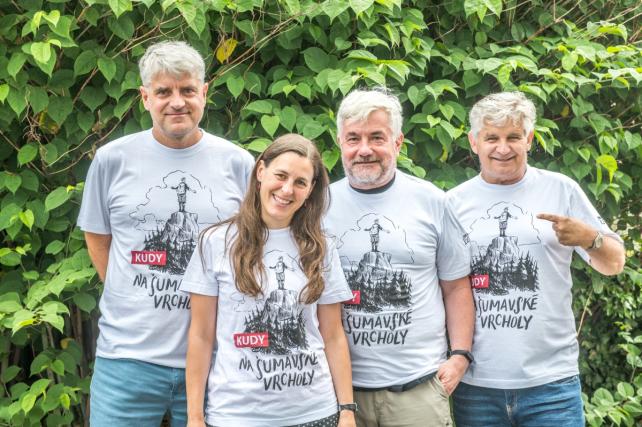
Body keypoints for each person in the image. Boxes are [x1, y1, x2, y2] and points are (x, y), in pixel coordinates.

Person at [77, 40, 254, 426]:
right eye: (163, 92)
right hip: (127, 359)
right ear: (145, 97)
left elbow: (253, 245)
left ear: (204, 93)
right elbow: (98, 238)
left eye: (187, 90)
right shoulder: (112, 160)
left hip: (217, 360)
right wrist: (131, 292)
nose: (177, 102)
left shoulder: (238, 164)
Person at [447, 91, 626, 426]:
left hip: (552, 385)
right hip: (476, 385)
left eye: (513, 137)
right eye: (492, 138)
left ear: (529, 139)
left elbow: (615, 263)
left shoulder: (561, 189)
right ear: (474, 142)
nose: (503, 148)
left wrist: (590, 237)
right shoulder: (453, 203)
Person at [181, 134, 357, 427]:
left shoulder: (321, 247)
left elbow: (333, 334)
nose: (287, 189)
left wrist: (347, 410)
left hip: (315, 413)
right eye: (281, 175)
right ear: (261, 171)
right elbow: (200, 336)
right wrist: (195, 417)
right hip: (236, 416)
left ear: (310, 190)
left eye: (300, 182)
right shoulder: (215, 241)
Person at [324, 88, 475, 427]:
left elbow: (456, 286)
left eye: (377, 137)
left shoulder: (431, 201)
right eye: (353, 138)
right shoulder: (319, 205)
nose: (364, 149)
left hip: (417, 391)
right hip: (340, 395)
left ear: (397, 142)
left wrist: (460, 355)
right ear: (340, 142)